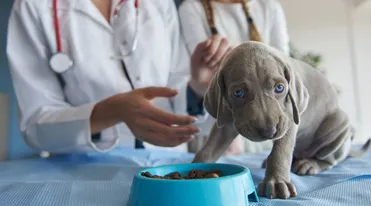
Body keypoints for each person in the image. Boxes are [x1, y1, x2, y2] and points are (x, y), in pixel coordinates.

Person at [6, 0, 232, 154]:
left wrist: (199, 88)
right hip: (83, 171)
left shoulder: (159, 4)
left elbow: (175, 85)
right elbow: (36, 124)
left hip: (167, 164)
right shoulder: (33, 6)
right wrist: (112, 111)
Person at [178, 0, 291, 154]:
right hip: (216, 129)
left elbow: (284, 67)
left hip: (267, 129)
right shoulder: (192, 8)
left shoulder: (268, 7)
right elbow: (202, 75)